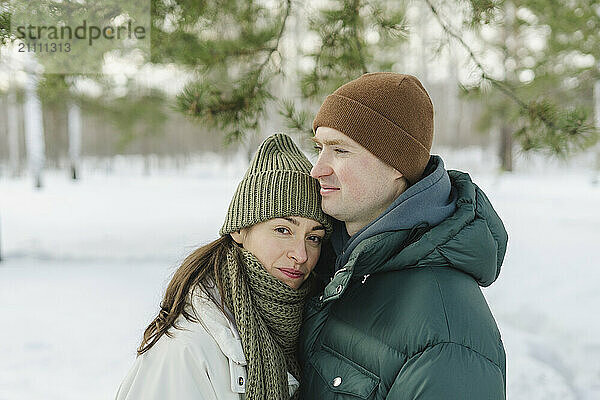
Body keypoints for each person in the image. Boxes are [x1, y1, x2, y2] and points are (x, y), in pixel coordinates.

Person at [299, 72, 508, 399]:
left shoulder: (446, 338)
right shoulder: (329, 261)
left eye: (340, 151)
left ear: (398, 164)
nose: (317, 168)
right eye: (320, 148)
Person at [115, 133, 332, 400]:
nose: (301, 255)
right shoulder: (188, 349)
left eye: (314, 238)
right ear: (240, 230)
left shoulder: (304, 330)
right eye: (283, 229)